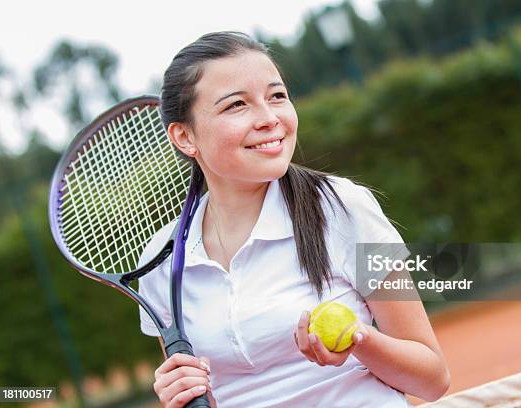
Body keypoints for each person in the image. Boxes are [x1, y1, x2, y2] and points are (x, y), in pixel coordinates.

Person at [138, 31, 450, 408]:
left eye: (277, 96)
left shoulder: (342, 207)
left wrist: (360, 342)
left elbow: (432, 379)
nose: (270, 119)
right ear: (185, 137)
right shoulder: (160, 260)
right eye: (237, 105)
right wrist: (182, 397)